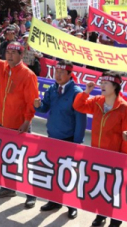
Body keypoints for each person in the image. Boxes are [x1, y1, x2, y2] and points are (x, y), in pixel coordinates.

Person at [0, 24, 39, 208]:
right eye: (8, 52)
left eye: (14, 53)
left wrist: (27, 121)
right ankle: (9, 187)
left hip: (20, 125)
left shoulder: (28, 75)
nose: (9, 55)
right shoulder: (4, 67)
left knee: (25, 160)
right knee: (8, 159)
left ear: (21, 56)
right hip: (4, 124)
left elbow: (32, 101)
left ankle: (31, 194)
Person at [73, 71, 127, 227]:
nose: (102, 86)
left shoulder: (124, 108)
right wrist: (86, 91)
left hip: (115, 157)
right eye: (101, 83)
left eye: (106, 83)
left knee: (114, 190)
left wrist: (123, 158)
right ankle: (100, 216)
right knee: (100, 187)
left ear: (115, 86)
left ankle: (115, 219)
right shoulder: (97, 102)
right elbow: (78, 105)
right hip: (97, 154)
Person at [34, 60, 86, 219]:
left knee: (69, 173)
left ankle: (72, 205)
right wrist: (37, 105)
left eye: (62, 72)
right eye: (56, 72)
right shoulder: (52, 88)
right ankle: (55, 201)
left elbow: (80, 120)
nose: (58, 75)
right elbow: (44, 108)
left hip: (69, 139)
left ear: (70, 74)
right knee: (54, 171)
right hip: (53, 138)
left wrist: (77, 143)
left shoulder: (76, 92)